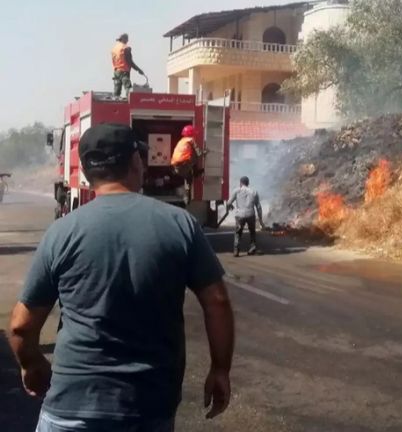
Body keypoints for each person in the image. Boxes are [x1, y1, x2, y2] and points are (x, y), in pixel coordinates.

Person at [7, 123, 234, 431]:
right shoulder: (181, 224)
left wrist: (32, 366)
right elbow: (217, 301)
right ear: (136, 163)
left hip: (71, 409)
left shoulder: (61, 233)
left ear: (86, 173)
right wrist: (220, 369)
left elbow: (21, 326)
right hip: (148, 409)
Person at [227, 176, 264, 257]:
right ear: (248, 183)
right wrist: (260, 219)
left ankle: (236, 250)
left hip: (240, 215)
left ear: (240, 183)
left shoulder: (237, 191)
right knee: (252, 232)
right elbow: (258, 207)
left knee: (238, 233)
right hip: (250, 214)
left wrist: (231, 207)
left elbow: (229, 202)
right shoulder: (254, 192)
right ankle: (252, 248)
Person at [171, 125, 204, 205]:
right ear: (191, 134)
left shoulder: (181, 141)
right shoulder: (191, 140)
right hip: (183, 165)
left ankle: (194, 172)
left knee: (187, 173)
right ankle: (187, 197)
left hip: (175, 166)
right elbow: (199, 153)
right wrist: (205, 152)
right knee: (188, 178)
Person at [111, 33, 146, 99]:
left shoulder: (114, 49)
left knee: (117, 90)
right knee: (128, 88)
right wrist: (138, 70)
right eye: (127, 39)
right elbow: (130, 62)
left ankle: (116, 102)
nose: (128, 41)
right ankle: (129, 103)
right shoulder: (125, 48)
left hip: (116, 71)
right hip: (124, 71)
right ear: (124, 39)